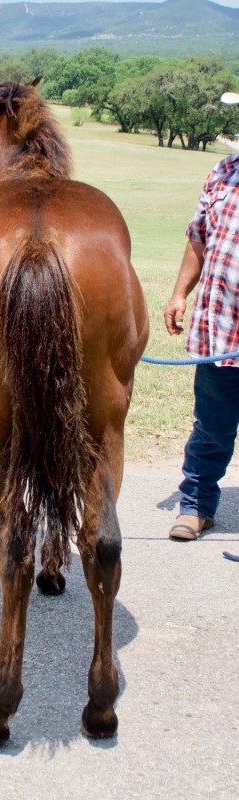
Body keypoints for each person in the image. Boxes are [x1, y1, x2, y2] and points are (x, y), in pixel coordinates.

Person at [164, 91, 239, 540]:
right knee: (210, 429)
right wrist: (179, 293)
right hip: (220, 331)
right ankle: (196, 506)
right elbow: (199, 237)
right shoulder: (223, 171)